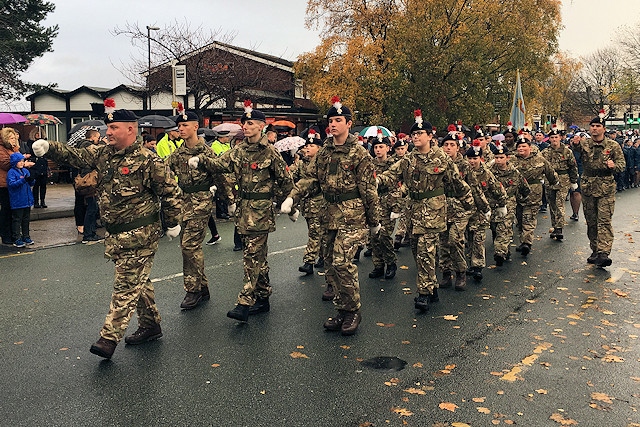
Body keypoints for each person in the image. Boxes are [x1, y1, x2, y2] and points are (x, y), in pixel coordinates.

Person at [31, 99, 182, 359]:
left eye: (114, 128)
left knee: (125, 285)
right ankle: (150, 325)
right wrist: (49, 147)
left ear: (131, 130)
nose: (108, 132)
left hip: (141, 234)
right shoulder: (103, 154)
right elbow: (76, 156)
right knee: (138, 281)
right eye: (107, 128)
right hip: (115, 234)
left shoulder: (149, 160)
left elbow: (170, 193)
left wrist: (171, 223)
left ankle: (108, 338)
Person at [281, 97, 379, 335]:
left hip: (352, 215)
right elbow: (311, 179)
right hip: (329, 214)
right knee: (329, 264)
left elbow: (369, 190)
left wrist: (374, 221)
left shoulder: (359, 154)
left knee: (342, 262)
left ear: (348, 123)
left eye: (338, 120)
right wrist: (292, 196)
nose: (333, 124)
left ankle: (353, 311)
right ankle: (342, 309)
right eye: (330, 120)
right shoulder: (324, 152)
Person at [189, 100, 294, 322]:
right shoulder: (239, 151)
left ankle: (244, 301)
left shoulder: (271, 153)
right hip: (244, 212)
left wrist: (291, 203)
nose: (245, 127)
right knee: (257, 258)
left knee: (251, 257)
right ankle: (263, 298)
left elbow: (285, 180)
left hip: (261, 212)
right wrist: (201, 160)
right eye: (244, 123)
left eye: (250, 123)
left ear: (261, 126)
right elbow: (220, 163)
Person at [379, 110, 473, 311]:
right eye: (413, 135)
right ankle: (432, 288)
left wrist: (470, 205)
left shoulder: (442, 159)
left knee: (426, 252)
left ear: (430, 136)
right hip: (413, 213)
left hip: (433, 213)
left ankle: (423, 294)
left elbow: (457, 183)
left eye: (420, 134)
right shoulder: (408, 159)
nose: (415, 137)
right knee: (417, 252)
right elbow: (391, 175)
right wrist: (375, 182)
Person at [166, 110, 218, 310]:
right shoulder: (178, 154)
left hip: (201, 201)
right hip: (183, 202)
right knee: (187, 246)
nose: (181, 128)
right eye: (179, 126)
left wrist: (227, 197)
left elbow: (220, 173)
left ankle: (193, 290)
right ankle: (203, 286)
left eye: (185, 125)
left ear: (196, 127)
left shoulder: (206, 152)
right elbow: (163, 171)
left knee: (190, 245)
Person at [571, 111, 626, 267]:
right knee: (591, 221)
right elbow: (575, 148)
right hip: (588, 185)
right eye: (592, 126)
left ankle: (603, 252)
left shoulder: (613, 146)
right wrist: (574, 143)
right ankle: (595, 250)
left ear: (603, 129)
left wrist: (614, 166)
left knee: (604, 220)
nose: (594, 129)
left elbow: (622, 165)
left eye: (598, 126)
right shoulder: (585, 143)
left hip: (606, 186)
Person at [438, 129, 486, 291]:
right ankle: (446, 273)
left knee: (455, 239)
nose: (448, 148)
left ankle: (461, 272)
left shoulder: (464, 165)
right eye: (446, 145)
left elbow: (475, 187)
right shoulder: (438, 163)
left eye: (452, 145)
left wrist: (484, 207)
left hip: (461, 208)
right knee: (443, 242)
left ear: (458, 148)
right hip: (442, 207)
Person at [465, 142, 507, 281]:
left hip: (481, 211)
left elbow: (497, 189)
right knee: (467, 238)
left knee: (478, 238)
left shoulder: (486, 173)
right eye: (470, 158)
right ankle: (469, 263)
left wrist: (502, 205)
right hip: (465, 210)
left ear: (480, 159)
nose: (472, 161)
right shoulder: (463, 172)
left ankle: (478, 266)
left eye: (475, 159)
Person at [511, 132, 558, 256]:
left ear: (530, 148)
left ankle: (527, 242)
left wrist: (554, 183)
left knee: (529, 218)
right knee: (520, 218)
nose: (521, 149)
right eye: (519, 147)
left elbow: (550, 172)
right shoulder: (512, 160)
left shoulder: (539, 159)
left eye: (524, 146)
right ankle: (523, 240)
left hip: (533, 193)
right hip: (517, 194)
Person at [293, 128, 328, 277]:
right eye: (306, 146)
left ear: (319, 149)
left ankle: (309, 262)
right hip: (307, 204)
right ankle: (323, 256)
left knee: (315, 233)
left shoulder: (322, 163)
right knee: (317, 233)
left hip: (319, 202)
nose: (307, 148)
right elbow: (291, 176)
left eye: (311, 146)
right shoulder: (302, 163)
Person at [490, 143, 530, 266]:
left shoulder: (514, 173)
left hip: (509, 203)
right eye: (496, 157)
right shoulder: (489, 171)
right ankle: (504, 249)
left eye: (501, 157)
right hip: (493, 203)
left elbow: (525, 188)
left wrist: (523, 197)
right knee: (495, 227)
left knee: (505, 226)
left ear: (507, 157)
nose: (498, 160)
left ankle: (500, 253)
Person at [368, 131, 400, 280]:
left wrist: (396, 207)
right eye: (376, 147)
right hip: (374, 204)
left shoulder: (394, 164)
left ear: (388, 148)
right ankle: (378, 265)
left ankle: (391, 263)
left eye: (381, 146)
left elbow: (399, 186)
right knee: (374, 236)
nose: (378, 150)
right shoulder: (370, 164)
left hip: (389, 203)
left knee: (385, 235)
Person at [542, 126, 578, 240]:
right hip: (549, 180)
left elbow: (573, 167)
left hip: (563, 180)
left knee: (559, 203)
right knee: (552, 204)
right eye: (552, 137)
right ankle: (554, 226)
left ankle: (559, 228)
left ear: (560, 138)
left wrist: (573, 181)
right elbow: (540, 166)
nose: (554, 140)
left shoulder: (567, 151)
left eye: (556, 137)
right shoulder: (545, 152)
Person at [78, 129, 102, 243]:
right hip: (89, 180)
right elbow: (96, 158)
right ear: (92, 137)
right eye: (98, 137)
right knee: (92, 208)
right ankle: (88, 234)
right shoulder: (88, 147)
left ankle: (91, 232)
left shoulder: (81, 146)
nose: (99, 139)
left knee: (92, 208)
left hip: (86, 180)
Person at [7, 152, 35, 247]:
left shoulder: (25, 171)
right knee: (17, 220)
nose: (22, 163)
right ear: (15, 162)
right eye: (19, 161)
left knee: (26, 220)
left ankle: (26, 236)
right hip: (17, 200)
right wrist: (23, 180)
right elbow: (12, 184)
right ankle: (16, 238)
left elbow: (30, 184)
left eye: (22, 161)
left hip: (26, 200)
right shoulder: (11, 172)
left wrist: (32, 179)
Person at [569, 132, 585, 221]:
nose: (573, 142)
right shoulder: (568, 150)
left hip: (579, 171)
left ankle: (576, 213)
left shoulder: (581, 150)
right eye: (572, 141)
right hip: (569, 173)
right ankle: (573, 211)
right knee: (571, 193)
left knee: (576, 192)